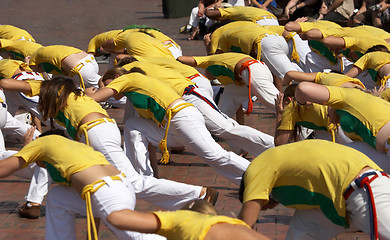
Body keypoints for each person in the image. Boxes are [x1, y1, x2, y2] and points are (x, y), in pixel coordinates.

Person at [0, 76, 217, 212]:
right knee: (84, 171)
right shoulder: (76, 96)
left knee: (133, 182)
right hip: (101, 131)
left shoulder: (55, 91)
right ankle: (36, 203)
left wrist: (39, 83)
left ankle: (197, 193)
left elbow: (6, 83)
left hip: (95, 133)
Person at [85, 70, 250, 185]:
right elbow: (147, 142)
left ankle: (257, 173)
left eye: (107, 85)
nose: (108, 90)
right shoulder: (135, 97)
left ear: (117, 76)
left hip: (182, 116)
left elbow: (94, 99)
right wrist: (155, 177)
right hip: (171, 125)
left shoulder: (129, 78)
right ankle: (145, 178)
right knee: (133, 125)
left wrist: (87, 92)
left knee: (214, 155)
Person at [0, 131, 165, 240]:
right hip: (115, 187)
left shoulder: (44, 142)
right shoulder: (76, 153)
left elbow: (4, 168)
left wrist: (28, 147)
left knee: (134, 235)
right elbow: (93, 200)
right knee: (58, 197)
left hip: (109, 190)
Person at [117, 59, 274, 157]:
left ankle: (275, 145)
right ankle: (265, 150)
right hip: (186, 95)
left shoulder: (130, 68)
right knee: (224, 128)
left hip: (188, 93)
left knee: (224, 128)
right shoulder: (140, 69)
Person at [238, 139, 390, 239]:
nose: (268, 207)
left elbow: (245, 223)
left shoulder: (257, 168)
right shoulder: (276, 160)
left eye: (263, 206)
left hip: (364, 188)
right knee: (302, 226)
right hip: (344, 197)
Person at [294, 81, 390, 158]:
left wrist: (301, 103)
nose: (324, 109)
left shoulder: (345, 94)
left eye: (325, 105)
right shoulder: (352, 117)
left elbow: (302, 88)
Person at [177, 52, 279, 115]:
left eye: (206, 73)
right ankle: (221, 129)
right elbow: (238, 109)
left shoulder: (208, 61)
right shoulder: (227, 80)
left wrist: (169, 59)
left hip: (252, 69)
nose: (206, 75)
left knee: (274, 101)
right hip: (250, 72)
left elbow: (182, 59)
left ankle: (293, 114)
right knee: (226, 106)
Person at [206, 21, 302, 82]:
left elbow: (214, 69)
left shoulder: (217, 33)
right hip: (279, 40)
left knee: (289, 77)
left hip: (266, 43)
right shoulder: (242, 25)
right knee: (279, 73)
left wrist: (208, 46)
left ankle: (313, 80)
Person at [28, 45, 101, 90]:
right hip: (90, 60)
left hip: (79, 68)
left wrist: (26, 64)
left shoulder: (33, 60)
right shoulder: (46, 52)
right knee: (58, 83)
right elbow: (55, 78)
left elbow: (32, 73)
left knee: (106, 90)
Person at [205, 6, 279, 25]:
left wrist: (219, 19)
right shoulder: (250, 10)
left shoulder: (234, 9)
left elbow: (209, 13)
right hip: (274, 22)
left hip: (261, 22)